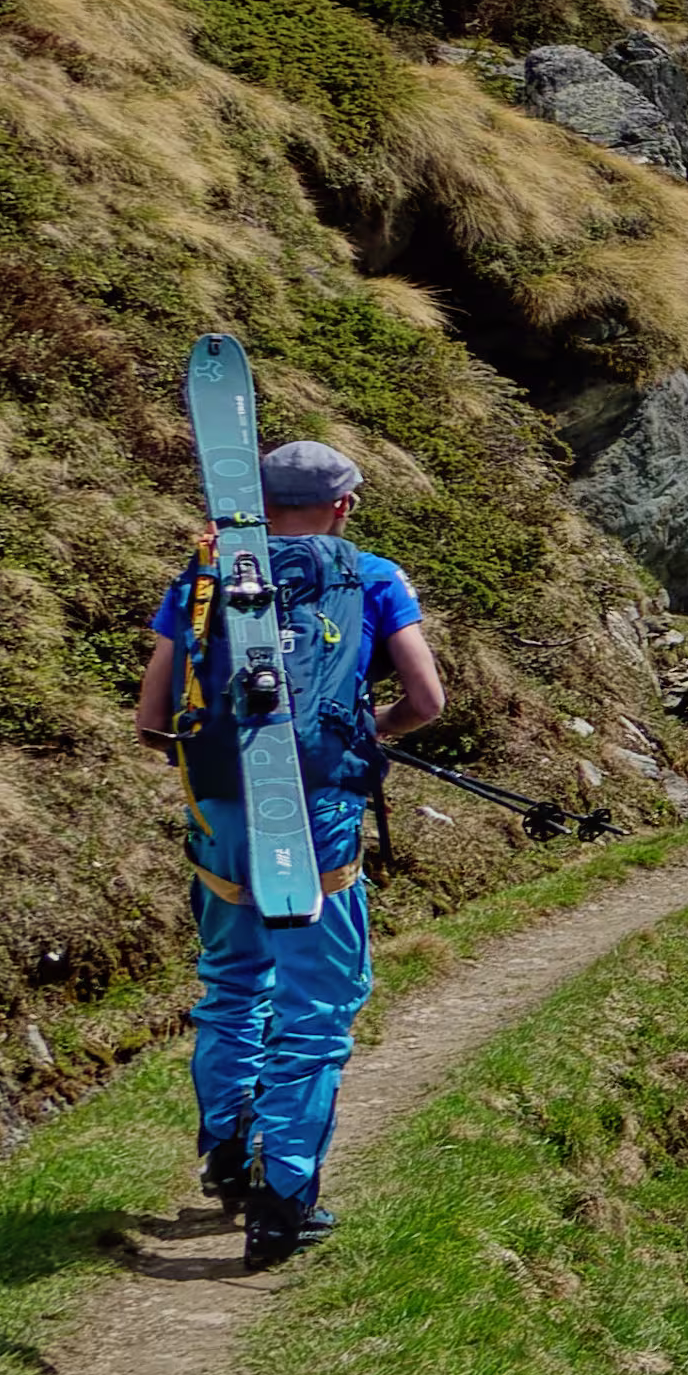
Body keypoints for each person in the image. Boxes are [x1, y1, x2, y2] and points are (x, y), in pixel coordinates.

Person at [131, 438, 441, 1268]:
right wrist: (364, 733)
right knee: (319, 999)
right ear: (342, 506)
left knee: (234, 983)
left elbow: (151, 720)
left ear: (254, 503)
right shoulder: (370, 574)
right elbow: (426, 698)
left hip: (221, 808)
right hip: (318, 813)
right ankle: (284, 1198)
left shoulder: (201, 578)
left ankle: (227, 1154)